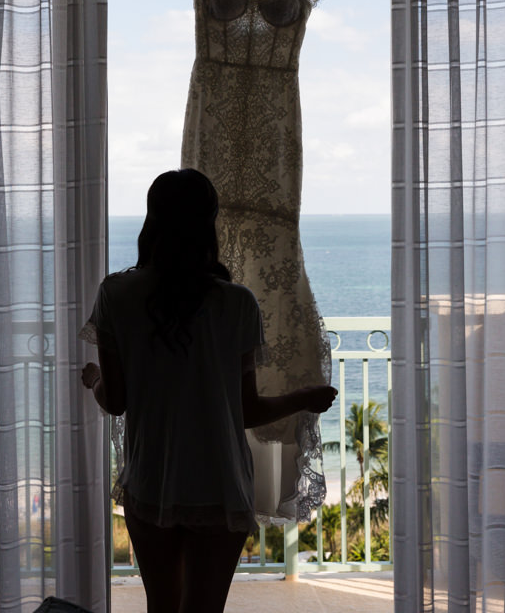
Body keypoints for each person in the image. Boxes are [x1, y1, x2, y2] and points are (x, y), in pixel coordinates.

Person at [79, 169, 337, 613]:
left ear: (151, 219)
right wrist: (304, 397)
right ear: (209, 222)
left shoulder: (116, 294)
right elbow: (248, 410)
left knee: (161, 606)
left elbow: (117, 402)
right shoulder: (237, 303)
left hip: (152, 479)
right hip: (220, 483)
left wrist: (94, 380)